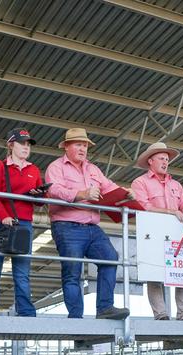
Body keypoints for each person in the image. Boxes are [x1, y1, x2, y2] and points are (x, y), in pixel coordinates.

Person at [45, 128, 131, 320]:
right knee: (72, 272)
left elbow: (108, 187)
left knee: (110, 258)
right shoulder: (56, 167)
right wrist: (81, 194)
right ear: (66, 146)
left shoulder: (93, 169)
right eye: (78, 144)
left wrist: (125, 193)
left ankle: (105, 308)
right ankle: (76, 317)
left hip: (92, 227)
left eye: (85, 145)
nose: (83, 148)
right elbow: (54, 190)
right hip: (67, 226)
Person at [0, 128, 46, 317]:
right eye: (22, 143)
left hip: (23, 224)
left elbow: (39, 202)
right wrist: (3, 216)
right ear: (11, 145)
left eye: (28, 144)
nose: (26, 147)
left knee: (22, 272)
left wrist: (40, 194)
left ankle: (26, 312)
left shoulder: (33, 170)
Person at [131, 142, 183, 321]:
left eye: (167, 159)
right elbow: (143, 206)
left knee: (182, 270)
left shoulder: (176, 184)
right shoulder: (140, 182)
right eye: (161, 158)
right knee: (154, 272)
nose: (165, 162)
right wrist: (171, 212)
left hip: (175, 234)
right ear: (150, 161)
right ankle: (160, 314)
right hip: (152, 233)